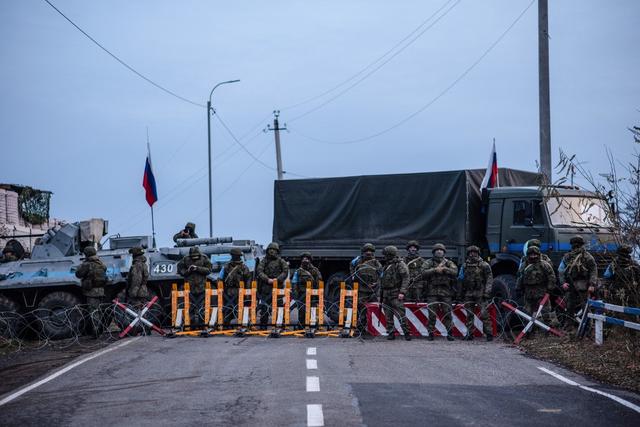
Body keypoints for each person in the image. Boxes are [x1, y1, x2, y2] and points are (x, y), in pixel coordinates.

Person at [516, 246, 559, 328]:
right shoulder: (524, 265)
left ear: (538, 254)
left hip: (542, 292)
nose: (533, 256)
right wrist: (518, 288)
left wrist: (550, 289)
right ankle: (528, 330)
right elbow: (520, 277)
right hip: (528, 293)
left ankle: (549, 329)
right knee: (527, 313)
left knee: (546, 312)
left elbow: (551, 277)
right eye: (531, 254)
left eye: (535, 254)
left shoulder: (544, 265)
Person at [458, 245, 494, 341]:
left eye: (474, 252)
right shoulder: (464, 265)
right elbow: (461, 280)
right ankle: (469, 334)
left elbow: (489, 280)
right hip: (468, 293)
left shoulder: (484, 265)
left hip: (480, 293)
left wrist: (487, 292)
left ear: (478, 254)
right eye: (470, 253)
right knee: (469, 314)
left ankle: (489, 334)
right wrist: (460, 293)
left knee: (484, 314)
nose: (472, 254)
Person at [423, 243, 457, 341]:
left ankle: (450, 333)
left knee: (447, 313)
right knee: (432, 314)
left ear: (444, 252)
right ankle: (430, 333)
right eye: (437, 250)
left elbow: (455, 272)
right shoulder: (428, 262)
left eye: (441, 250)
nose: (439, 251)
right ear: (434, 252)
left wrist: (444, 269)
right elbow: (423, 273)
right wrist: (435, 270)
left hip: (445, 292)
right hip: (432, 292)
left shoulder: (448, 263)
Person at [558, 235, 597, 317]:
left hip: (583, 284)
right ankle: (570, 324)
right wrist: (563, 283)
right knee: (569, 305)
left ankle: (587, 326)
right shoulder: (567, 257)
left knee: (585, 306)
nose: (576, 246)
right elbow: (561, 270)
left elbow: (593, 270)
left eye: (577, 244)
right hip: (571, 284)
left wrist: (592, 284)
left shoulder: (587, 257)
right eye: (574, 244)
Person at [75, 246, 108, 336]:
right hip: (101, 290)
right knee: (99, 311)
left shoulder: (87, 264)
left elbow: (78, 274)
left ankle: (96, 331)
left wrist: (79, 266)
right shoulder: (101, 263)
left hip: (91, 292)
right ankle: (100, 330)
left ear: (87, 254)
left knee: (94, 312)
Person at [380, 246, 411, 340]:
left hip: (395, 292)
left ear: (390, 254)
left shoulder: (400, 264)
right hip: (386, 293)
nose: (384, 257)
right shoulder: (387, 265)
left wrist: (402, 292)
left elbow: (406, 278)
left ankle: (406, 332)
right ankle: (391, 332)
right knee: (388, 316)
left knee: (401, 314)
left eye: (386, 255)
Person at [177, 246, 212, 327]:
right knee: (189, 306)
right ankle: (191, 324)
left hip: (201, 286)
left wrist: (197, 268)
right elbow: (180, 269)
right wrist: (187, 271)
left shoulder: (204, 258)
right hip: (189, 287)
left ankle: (202, 324)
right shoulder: (185, 259)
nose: (194, 258)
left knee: (202, 306)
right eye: (193, 257)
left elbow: (209, 270)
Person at [256, 242, 289, 329]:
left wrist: (277, 280)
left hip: (278, 287)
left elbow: (285, 272)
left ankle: (280, 324)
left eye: (273, 250)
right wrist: (267, 279)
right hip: (266, 287)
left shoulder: (281, 261)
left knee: (279, 307)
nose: (271, 251)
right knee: (264, 308)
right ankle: (263, 326)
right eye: (270, 249)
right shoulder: (264, 261)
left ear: (277, 251)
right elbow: (259, 271)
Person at [219, 248, 252, 326]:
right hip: (228, 291)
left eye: (238, 256)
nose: (238, 257)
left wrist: (247, 294)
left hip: (239, 291)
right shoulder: (226, 267)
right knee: (228, 308)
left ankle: (242, 323)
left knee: (239, 308)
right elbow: (220, 279)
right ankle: (226, 324)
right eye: (237, 256)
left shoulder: (243, 267)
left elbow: (248, 280)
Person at [291, 251, 322, 328]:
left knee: (313, 309)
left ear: (310, 260)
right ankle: (301, 326)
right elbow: (294, 282)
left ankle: (313, 325)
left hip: (312, 294)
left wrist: (316, 293)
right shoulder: (298, 271)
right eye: (303, 259)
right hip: (302, 294)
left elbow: (319, 281)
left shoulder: (315, 270)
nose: (305, 260)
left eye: (307, 259)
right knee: (301, 311)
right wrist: (295, 294)